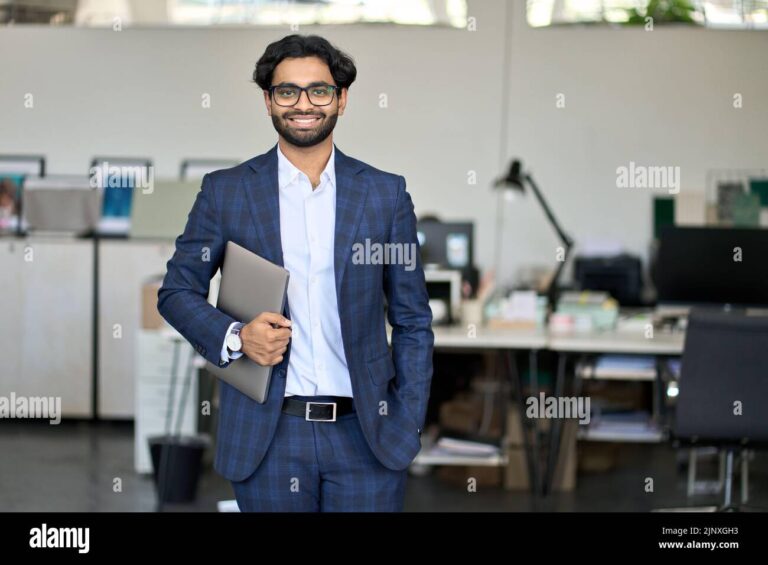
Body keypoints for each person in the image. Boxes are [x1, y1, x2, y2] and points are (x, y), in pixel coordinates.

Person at [158, 34, 433, 512]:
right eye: (287, 91)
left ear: (341, 100)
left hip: (366, 436)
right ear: (268, 100)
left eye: (319, 90)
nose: (303, 104)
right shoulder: (226, 193)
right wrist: (237, 336)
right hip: (268, 436)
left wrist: (406, 420)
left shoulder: (385, 197)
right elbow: (177, 291)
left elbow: (413, 321)